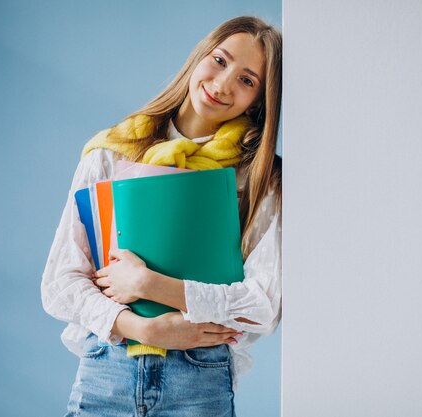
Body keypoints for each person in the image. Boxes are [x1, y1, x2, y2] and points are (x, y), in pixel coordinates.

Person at [41, 15, 282, 417]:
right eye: (220, 61)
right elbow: (59, 283)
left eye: (247, 80)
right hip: (108, 369)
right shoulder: (113, 151)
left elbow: (263, 304)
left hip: (199, 379)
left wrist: (147, 284)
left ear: (258, 101)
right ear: (199, 57)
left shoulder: (257, 178)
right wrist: (143, 328)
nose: (223, 84)